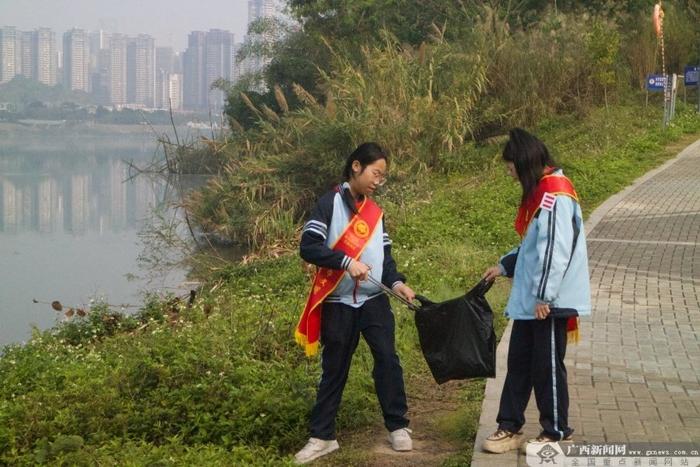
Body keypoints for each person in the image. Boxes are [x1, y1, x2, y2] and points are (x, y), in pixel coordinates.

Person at [293, 142, 416, 464]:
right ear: (357, 166)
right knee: (334, 369)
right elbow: (309, 247)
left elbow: (385, 260)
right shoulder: (328, 204)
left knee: (387, 360)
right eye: (376, 173)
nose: (379, 180)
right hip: (339, 301)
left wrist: (398, 284)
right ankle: (322, 437)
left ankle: (398, 426)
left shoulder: (375, 213)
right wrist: (347, 263)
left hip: (374, 301)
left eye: (383, 176)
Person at [481, 128, 591, 453]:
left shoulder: (556, 194)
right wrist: (503, 266)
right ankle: (509, 426)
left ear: (525, 162)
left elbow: (556, 250)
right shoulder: (544, 194)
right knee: (519, 362)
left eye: (511, 165)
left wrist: (545, 295)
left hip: (548, 302)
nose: (509, 171)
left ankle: (556, 431)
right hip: (534, 300)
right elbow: (532, 246)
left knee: (547, 367)